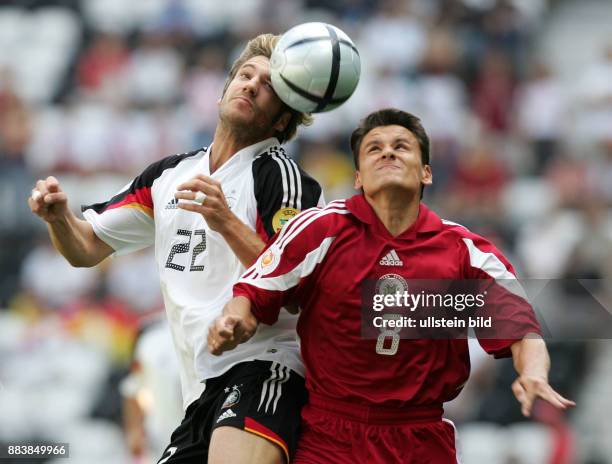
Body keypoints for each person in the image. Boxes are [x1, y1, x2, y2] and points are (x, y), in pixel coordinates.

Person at [208, 108, 575, 463]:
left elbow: (522, 332)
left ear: (426, 173)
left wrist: (532, 372)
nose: (387, 151)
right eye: (374, 147)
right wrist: (234, 320)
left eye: (401, 146)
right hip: (331, 438)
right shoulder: (320, 230)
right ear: (358, 178)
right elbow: (253, 291)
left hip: (422, 439)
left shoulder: (466, 253)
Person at [28, 34, 324, 464]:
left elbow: (294, 286)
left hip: (266, 368)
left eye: (268, 85)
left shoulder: (282, 177)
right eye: (245, 75)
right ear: (224, 89)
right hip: (200, 388)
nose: (251, 85)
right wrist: (58, 218)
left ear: (282, 119)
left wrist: (224, 220)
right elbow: (86, 248)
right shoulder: (169, 174)